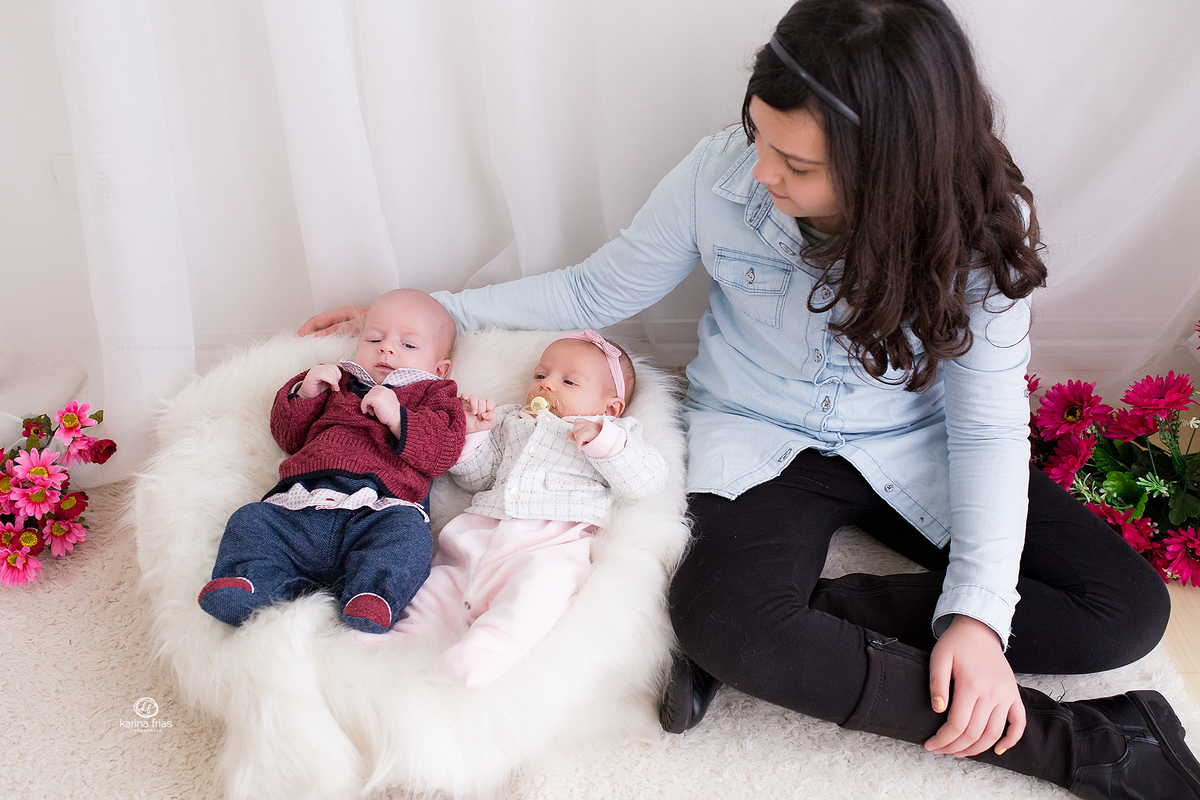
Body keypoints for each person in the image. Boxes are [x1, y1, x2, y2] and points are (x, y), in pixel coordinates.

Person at [298, 1, 1200, 795]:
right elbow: (592, 294)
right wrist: (435, 311)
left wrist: (975, 618)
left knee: (1123, 612)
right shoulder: (719, 174)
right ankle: (1088, 747)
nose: (763, 172)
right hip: (758, 439)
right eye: (759, 136)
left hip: (915, 444)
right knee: (727, 623)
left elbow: (991, 428)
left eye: (796, 164)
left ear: (891, 166)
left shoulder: (981, 230)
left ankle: (816, 627)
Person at [386, 330, 668, 687]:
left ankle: (481, 655)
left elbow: (645, 482)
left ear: (610, 407)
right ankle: (401, 643)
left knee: (537, 595)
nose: (546, 385)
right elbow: (478, 478)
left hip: (551, 543)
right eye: (540, 375)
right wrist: (473, 435)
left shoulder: (613, 431)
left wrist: (604, 439)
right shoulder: (510, 420)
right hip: (480, 532)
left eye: (568, 381)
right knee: (436, 590)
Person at [200, 289, 466, 634]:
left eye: (408, 345)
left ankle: (373, 594)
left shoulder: (436, 395)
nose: (386, 348)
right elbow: (289, 438)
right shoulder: (338, 380)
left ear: (439, 368)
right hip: (302, 504)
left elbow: (443, 452)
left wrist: (400, 418)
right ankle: (250, 583)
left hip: (380, 512)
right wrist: (303, 394)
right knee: (252, 519)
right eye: (374, 338)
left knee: (409, 538)